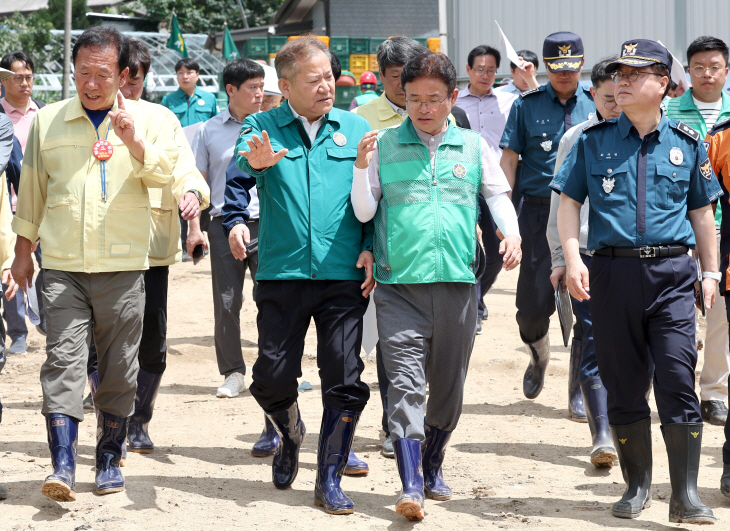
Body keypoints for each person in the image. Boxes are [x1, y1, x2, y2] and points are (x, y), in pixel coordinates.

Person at [554, 39, 721, 524]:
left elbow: (702, 212)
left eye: (634, 74)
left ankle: (685, 495)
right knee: (623, 384)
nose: (621, 81)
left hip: (672, 275)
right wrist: (571, 256)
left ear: (664, 84)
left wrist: (709, 272)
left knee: (676, 378)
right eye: (619, 74)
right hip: (610, 273)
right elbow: (568, 203)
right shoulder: (593, 140)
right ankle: (637, 486)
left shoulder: (687, 144)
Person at [11, 26, 179, 501]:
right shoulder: (49, 122)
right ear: (73, 72)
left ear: (122, 74)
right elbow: (33, 192)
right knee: (62, 363)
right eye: (83, 72)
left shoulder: (147, 122)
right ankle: (62, 467)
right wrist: (24, 253)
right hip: (62, 265)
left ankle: (108, 456)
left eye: (102, 74)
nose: (91, 83)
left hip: (125, 268)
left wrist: (134, 143)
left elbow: (165, 178)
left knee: (120, 368)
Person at [352, 52, 520, 521]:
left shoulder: (471, 146)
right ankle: (410, 485)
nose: (423, 108)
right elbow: (365, 212)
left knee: (447, 389)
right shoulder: (383, 144)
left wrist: (513, 234)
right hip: (398, 287)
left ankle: (432, 464)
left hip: (458, 285)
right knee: (405, 385)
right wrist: (359, 168)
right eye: (413, 99)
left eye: (433, 99)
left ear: (451, 98)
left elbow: (497, 195)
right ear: (402, 98)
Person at [235, 36, 374, 515]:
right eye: (313, 81)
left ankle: (329, 477)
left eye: (329, 77)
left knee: (344, 376)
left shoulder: (355, 127)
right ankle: (289, 429)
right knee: (270, 378)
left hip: (342, 274)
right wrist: (255, 162)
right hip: (282, 271)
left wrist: (372, 247)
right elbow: (243, 156)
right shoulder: (262, 126)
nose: (326, 87)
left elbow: (375, 197)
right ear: (286, 86)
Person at [83, 38, 208, 455]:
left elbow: (184, 167)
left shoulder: (162, 117)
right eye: (122, 81)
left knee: (151, 339)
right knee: (101, 340)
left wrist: (192, 195)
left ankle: (139, 420)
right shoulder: (84, 115)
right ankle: (110, 417)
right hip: (97, 248)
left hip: (149, 250)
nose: (126, 92)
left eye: (132, 82)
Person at [499, 32, 595, 409]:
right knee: (532, 307)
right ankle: (538, 355)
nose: (565, 75)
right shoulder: (526, 106)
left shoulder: (597, 102)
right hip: (539, 210)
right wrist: (504, 213)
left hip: (589, 210)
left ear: (581, 65)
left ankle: (580, 390)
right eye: (557, 69)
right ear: (545, 67)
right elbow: (509, 161)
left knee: (586, 303)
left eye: (571, 68)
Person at [351, 36, 429, 460]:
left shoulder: (439, 112)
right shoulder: (361, 120)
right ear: (382, 77)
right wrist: (365, 247)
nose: (409, 88)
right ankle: (392, 423)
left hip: (433, 248)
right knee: (388, 339)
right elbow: (357, 191)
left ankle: (422, 418)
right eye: (400, 79)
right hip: (387, 249)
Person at [546, 57, 621, 465]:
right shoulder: (576, 138)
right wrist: (561, 257)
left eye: (622, 96)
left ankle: (619, 418)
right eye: (608, 98)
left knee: (629, 345)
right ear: (593, 94)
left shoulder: (645, 135)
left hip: (632, 258)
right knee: (592, 336)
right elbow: (560, 202)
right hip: (586, 254)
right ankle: (602, 433)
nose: (616, 104)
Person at [665, 36, 730, 427]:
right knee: (675, 314)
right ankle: (675, 387)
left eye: (715, 66)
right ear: (687, 71)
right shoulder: (670, 110)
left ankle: (714, 392)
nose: (707, 73)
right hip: (676, 230)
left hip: (724, 231)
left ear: (726, 70)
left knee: (720, 314)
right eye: (699, 67)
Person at [190, 59, 264, 399]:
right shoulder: (209, 131)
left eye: (262, 87)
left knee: (274, 299)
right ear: (231, 90)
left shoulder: (274, 125)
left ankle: (272, 369)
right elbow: (197, 183)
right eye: (253, 88)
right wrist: (196, 227)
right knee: (227, 301)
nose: (260, 94)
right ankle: (233, 372)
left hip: (269, 224)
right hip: (222, 225)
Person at [456, 44, 518, 333]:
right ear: (468, 70)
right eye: (479, 69)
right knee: (467, 248)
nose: (485, 75)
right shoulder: (454, 102)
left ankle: (479, 297)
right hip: (461, 182)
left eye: (491, 70)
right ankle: (474, 305)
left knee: (494, 253)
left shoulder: (507, 102)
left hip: (494, 186)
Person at [0, 51, 47, 350]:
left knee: (50, 267)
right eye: (17, 77)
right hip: (8, 208)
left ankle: (47, 317)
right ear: (3, 81)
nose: (24, 83)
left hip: (42, 208)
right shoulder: (0, 118)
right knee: (11, 267)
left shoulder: (45, 113)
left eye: (28, 77)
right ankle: (18, 333)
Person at [162, 57, 219, 262]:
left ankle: (199, 237)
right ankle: (182, 245)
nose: (185, 76)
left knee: (203, 197)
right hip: (179, 157)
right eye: (180, 73)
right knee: (179, 199)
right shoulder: (169, 100)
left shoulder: (210, 99)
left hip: (203, 157)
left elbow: (216, 125)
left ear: (197, 75)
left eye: (189, 72)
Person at [353, 37, 429, 129]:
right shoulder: (357, 118)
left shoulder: (439, 115)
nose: (403, 85)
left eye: (410, 76)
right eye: (395, 76)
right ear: (381, 75)